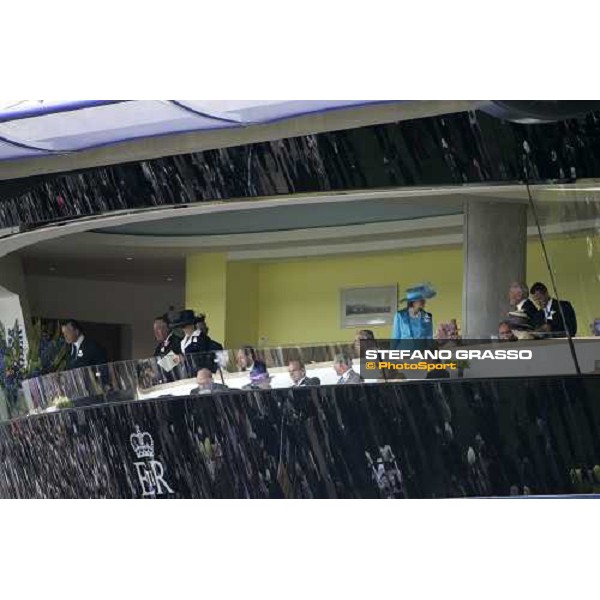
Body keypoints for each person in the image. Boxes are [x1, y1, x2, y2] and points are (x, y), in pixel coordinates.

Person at [169, 310, 218, 374]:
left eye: (185, 326)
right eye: (182, 326)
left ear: (192, 325)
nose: (183, 329)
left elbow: (202, 358)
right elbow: (172, 358)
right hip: (185, 375)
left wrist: (185, 359)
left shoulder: (202, 339)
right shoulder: (182, 341)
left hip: (198, 375)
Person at [391, 283, 435, 348]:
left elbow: (429, 337)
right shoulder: (399, 316)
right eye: (421, 300)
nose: (424, 301)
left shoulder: (427, 316)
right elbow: (395, 338)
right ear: (413, 302)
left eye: (423, 299)